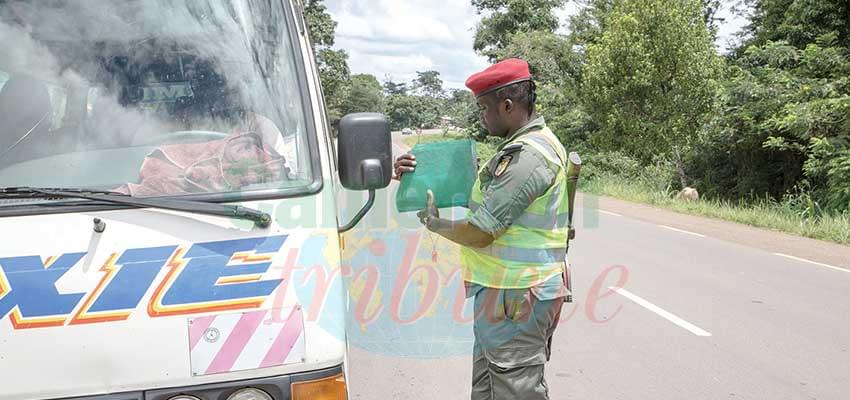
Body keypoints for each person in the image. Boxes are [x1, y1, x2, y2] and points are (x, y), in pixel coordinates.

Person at [394, 58, 571, 400]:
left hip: (517, 295)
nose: (481, 116)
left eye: (483, 107)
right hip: (504, 293)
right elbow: (481, 194)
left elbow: (482, 231)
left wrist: (436, 224)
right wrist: (414, 176)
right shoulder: (515, 150)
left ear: (507, 105)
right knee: (490, 389)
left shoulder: (528, 157)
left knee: (514, 391)